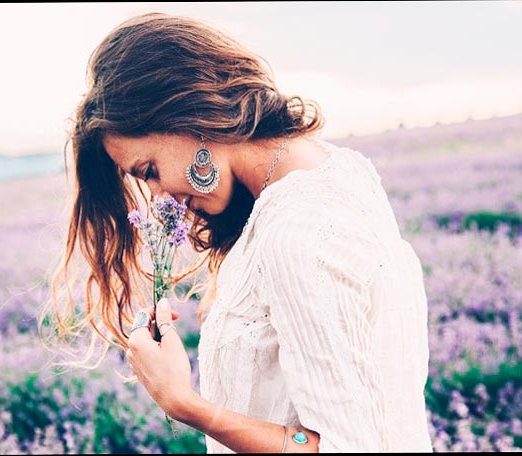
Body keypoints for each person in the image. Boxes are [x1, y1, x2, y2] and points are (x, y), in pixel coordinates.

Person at [48, 11, 433, 453]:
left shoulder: (296, 235)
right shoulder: (340, 169)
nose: (158, 197)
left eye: (149, 170)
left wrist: (185, 403)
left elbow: (342, 448)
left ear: (188, 114)